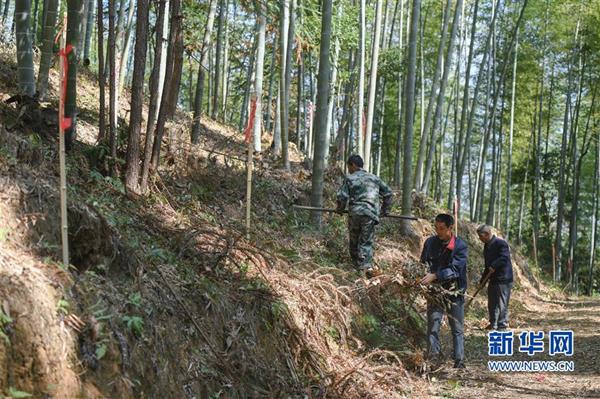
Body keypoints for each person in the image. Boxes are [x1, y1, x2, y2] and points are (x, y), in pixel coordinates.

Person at [420, 214, 468, 369]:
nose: (438, 231)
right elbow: (423, 263)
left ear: (450, 228)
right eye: (436, 228)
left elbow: (455, 270)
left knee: (457, 327)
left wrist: (435, 275)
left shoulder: (460, 246)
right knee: (433, 324)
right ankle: (433, 358)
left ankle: (459, 360)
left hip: (455, 291)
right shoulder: (430, 243)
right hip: (435, 291)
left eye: (442, 229)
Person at [336, 155, 393, 278]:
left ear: (353, 165)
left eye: (349, 167)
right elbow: (388, 194)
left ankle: (356, 268)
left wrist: (339, 210)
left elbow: (342, 197)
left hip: (355, 213)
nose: (349, 170)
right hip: (370, 214)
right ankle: (365, 268)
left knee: (354, 240)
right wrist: (385, 211)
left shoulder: (350, 178)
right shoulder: (375, 178)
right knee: (366, 242)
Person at [477, 225, 514, 330]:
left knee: (502, 303)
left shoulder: (500, 243)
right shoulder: (486, 246)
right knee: (492, 303)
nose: (480, 239)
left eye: (481, 236)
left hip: (503, 278)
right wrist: (482, 281)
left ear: (487, 234)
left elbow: (504, 257)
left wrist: (494, 265)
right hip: (493, 278)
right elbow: (487, 266)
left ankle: (502, 324)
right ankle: (493, 323)